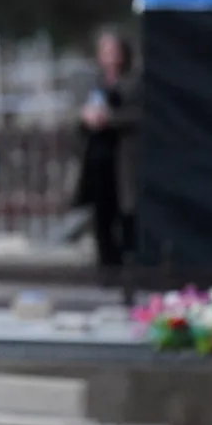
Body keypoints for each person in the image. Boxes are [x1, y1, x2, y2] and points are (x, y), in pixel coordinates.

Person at [74, 26, 141, 273]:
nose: (109, 56)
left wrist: (109, 119)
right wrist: (86, 118)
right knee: (101, 215)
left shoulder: (132, 82)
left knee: (125, 213)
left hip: (122, 159)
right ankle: (106, 265)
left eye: (113, 50)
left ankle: (128, 265)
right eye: (105, 51)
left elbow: (137, 116)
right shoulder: (95, 83)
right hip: (98, 158)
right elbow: (81, 115)